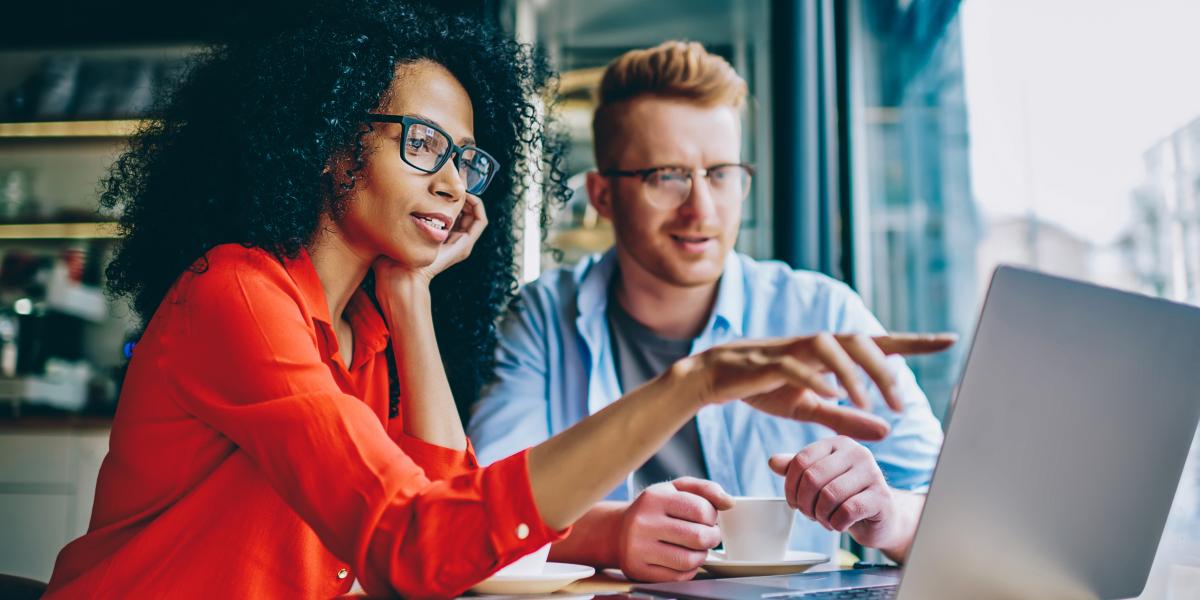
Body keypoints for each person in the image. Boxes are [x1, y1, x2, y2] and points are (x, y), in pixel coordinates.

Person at [41, 6, 952, 599]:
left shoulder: (365, 328)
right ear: (325, 142)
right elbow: (414, 545)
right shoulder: (237, 294)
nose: (452, 182)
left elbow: (440, 504)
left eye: (467, 159)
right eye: (423, 144)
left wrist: (408, 297)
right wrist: (693, 383)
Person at [469, 40, 949, 583]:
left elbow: (955, 512)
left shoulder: (821, 311)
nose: (702, 208)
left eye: (721, 173)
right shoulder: (543, 316)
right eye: (667, 176)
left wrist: (887, 516)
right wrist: (612, 532)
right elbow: (481, 511)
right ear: (602, 196)